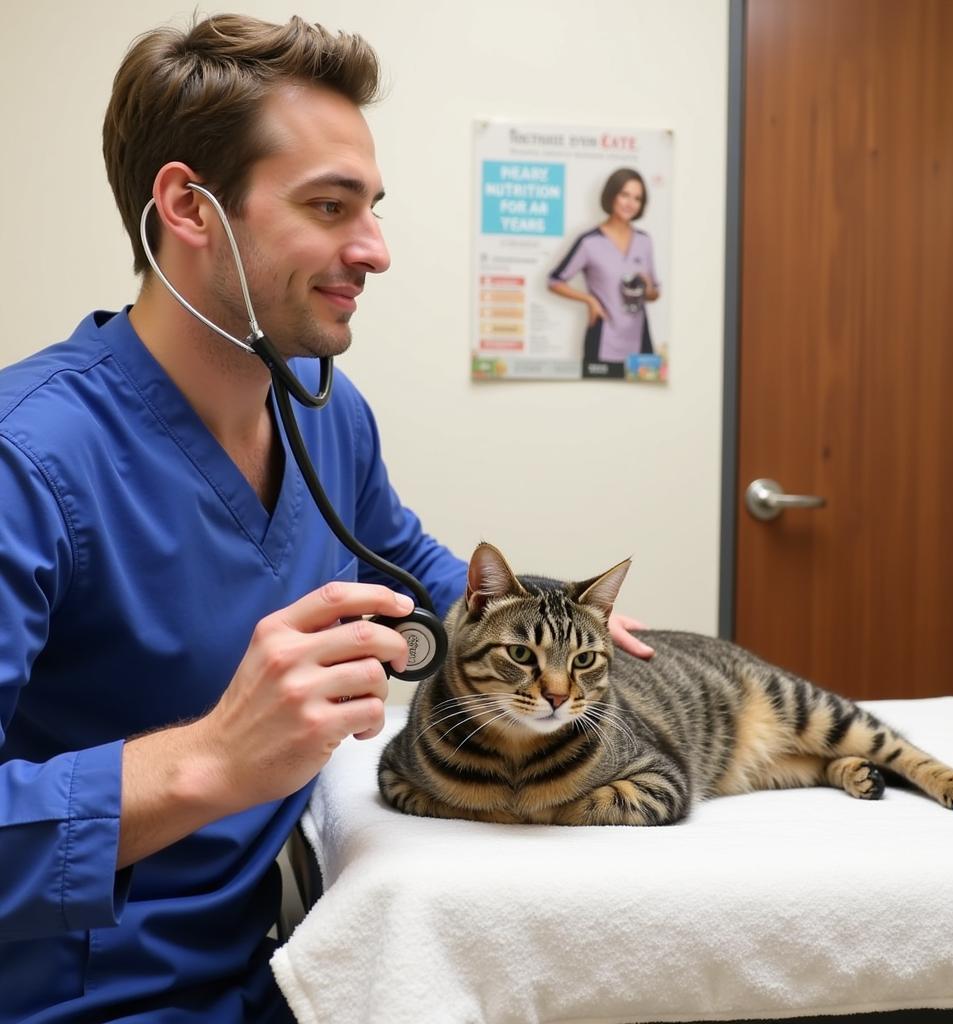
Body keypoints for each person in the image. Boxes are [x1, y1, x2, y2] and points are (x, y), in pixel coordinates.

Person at [0, 14, 653, 1023]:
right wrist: (211, 757)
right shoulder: (28, 461)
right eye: (330, 205)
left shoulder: (323, 407)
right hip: (84, 998)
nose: (377, 250)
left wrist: (533, 625)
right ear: (189, 207)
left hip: (281, 968)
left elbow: (406, 555)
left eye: (373, 208)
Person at [548, 167, 661, 379]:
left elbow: (655, 293)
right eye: (624, 195)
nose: (630, 203)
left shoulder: (645, 241)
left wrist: (648, 288)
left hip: (640, 343)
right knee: (597, 402)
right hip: (603, 342)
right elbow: (554, 281)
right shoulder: (589, 242)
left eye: (637, 198)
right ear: (612, 195)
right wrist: (590, 300)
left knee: (645, 406)